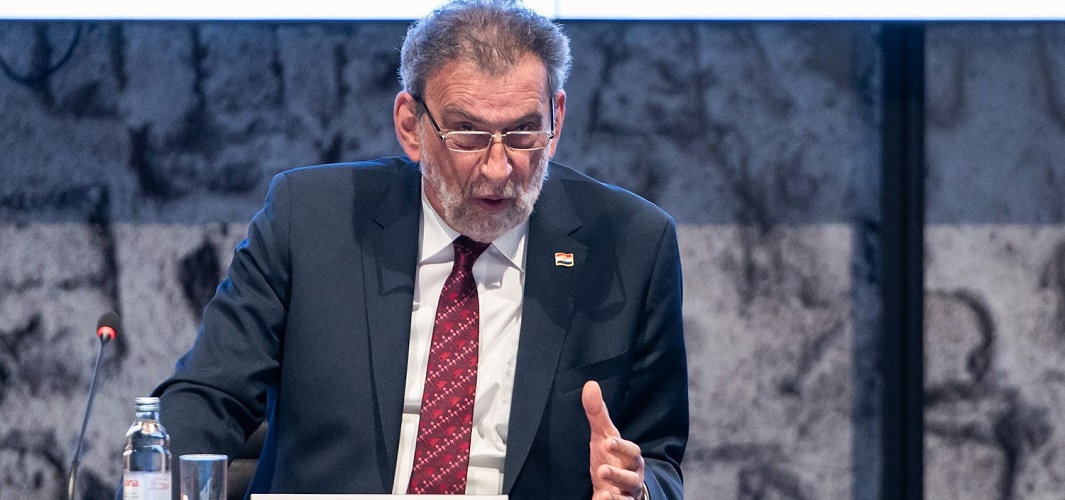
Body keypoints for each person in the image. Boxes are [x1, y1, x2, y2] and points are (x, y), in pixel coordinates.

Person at [148, 1, 688, 499]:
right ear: (411, 126)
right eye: (468, 134)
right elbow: (207, 398)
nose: (499, 168)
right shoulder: (310, 219)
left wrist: (638, 489)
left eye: (524, 132)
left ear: (557, 118)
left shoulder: (631, 245)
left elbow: (659, 460)